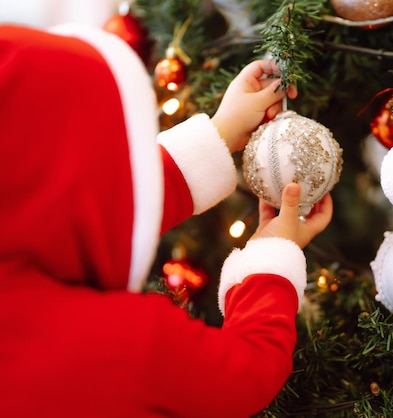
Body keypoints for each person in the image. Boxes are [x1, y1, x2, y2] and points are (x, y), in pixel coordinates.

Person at [0, 22, 333, 418]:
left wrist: (222, 132)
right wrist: (269, 262)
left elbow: (104, 200)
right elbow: (242, 374)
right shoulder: (116, 346)